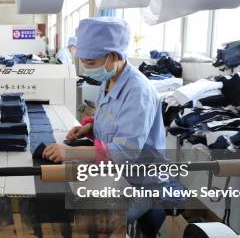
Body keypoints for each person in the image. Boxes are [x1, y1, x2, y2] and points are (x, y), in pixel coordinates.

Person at [43, 17, 165, 165]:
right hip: (111, 171)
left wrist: (69, 153)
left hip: (139, 180)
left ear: (113, 55)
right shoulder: (109, 80)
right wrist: (90, 127)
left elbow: (125, 151)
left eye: (91, 63)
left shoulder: (138, 92)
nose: (87, 69)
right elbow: (112, 118)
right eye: (83, 62)